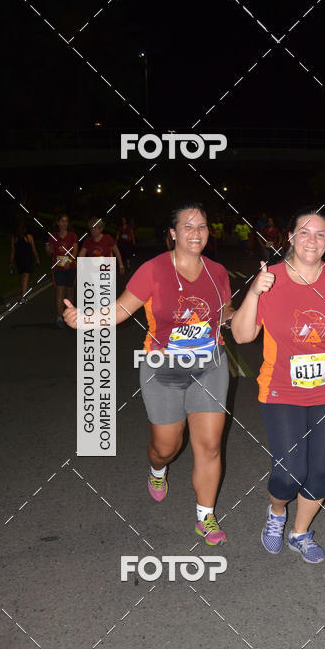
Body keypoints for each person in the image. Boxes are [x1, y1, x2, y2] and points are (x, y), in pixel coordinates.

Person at [63, 203, 234, 545]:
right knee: (166, 446)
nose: (196, 232)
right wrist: (85, 319)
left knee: (210, 446)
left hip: (210, 364)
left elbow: (224, 309)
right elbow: (121, 309)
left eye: (201, 226)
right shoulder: (153, 269)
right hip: (164, 367)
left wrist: (241, 313)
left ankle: (205, 516)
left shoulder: (217, 271)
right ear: (173, 233)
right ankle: (158, 470)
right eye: (188, 226)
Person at [231, 210, 325, 563]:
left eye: (321, 234)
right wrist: (253, 293)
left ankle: (300, 532)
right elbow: (241, 334)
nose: (312, 239)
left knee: (321, 470)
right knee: (289, 472)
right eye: (305, 232)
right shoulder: (271, 279)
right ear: (291, 237)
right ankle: (276, 512)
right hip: (282, 390)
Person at [46, 213, 78, 327]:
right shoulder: (53, 236)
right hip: (58, 269)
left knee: (70, 292)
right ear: (58, 223)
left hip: (71, 268)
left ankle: (71, 316)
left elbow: (75, 251)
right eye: (62, 221)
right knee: (60, 291)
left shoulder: (72, 235)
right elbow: (49, 253)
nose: (64, 224)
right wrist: (48, 249)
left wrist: (69, 262)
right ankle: (59, 317)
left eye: (66, 221)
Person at [10, 221, 40, 302]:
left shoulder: (14, 237)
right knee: (25, 277)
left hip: (19, 260)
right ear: (24, 229)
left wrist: (11, 262)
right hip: (27, 260)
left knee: (23, 277)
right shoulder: (28, 237)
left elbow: (13, 251)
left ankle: (24, 295)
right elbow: (33, 249)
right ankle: (23, 296)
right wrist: (37, 258)